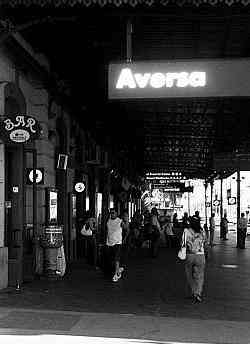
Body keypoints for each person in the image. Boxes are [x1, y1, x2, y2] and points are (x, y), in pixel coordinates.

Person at [180, 218, 207, 303]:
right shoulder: (202, 231)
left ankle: (193, 291)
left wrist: (182, 252)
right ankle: (198, 293)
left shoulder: (186, 231)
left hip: (190, 255)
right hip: (201, 256)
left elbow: (183, 243)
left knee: (189, 275)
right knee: (199, 275)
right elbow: (205, 242)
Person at [106, 208, 124, 282]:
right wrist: (106, 242)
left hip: (117, 242)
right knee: (113, 259)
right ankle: (119, 270)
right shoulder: (108, 221)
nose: (112, 214)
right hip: (110, 243)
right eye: (111, 213)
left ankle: (116, 275)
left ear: (116, 213)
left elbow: (126, 228)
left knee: (116, 259)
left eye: (113, 213)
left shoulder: (120, 221)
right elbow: (108, 232)